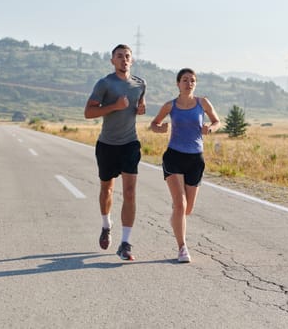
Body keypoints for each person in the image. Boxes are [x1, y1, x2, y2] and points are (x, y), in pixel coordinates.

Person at [150, 68, 220, 263]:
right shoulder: (170, 106)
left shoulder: (202, 103)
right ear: (178, 84)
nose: (189, 83)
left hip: (195, 159)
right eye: (185, 80)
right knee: (180, 204)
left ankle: (176, 217)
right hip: (174, 156)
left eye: (192, 80)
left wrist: (210, 129)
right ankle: (182, 248)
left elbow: (217, 121)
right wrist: (160, 128)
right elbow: (154, 124)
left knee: (187, 209)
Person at [84, 44, 146, 261]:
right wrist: (114, 106)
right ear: (112, 61)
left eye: (127, 56)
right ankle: (105, 224)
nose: (124, 59)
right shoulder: (104, 84)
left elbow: (140, 104)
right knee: (107, 190)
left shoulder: (140, 84)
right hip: (107, 144)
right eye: (119, 56)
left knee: (129, 193)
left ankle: (125, 243)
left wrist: (140, 109)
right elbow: (88, 112)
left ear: (132, 60)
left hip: (130, 143)